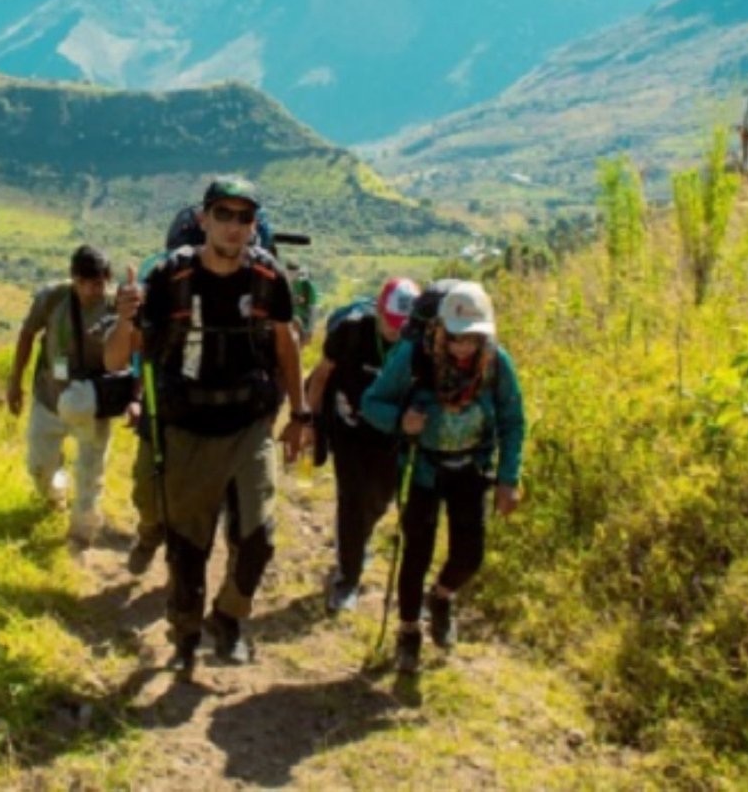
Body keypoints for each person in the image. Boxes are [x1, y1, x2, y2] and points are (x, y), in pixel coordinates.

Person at [107, 176, 311, 674]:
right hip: (188, 428)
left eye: (245, 217)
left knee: (257, 537)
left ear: (254, 225)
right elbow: (117, 356)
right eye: (224, 214)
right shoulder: (169, 280)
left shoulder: (269, 277)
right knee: (188, 546)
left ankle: (230, 617)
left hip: (249, 424)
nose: (234, 226)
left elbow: (286, 344)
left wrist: (300, 414)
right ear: (203, 220)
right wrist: (124, 320)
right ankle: (185, 633)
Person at [360, 281, 526, 674]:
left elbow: (512, 420)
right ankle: (408, 633)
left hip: (471, 469)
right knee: (416, 552)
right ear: (440, 331)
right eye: (455, 338)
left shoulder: (496, 364)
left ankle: (442, 597)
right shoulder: (414, 358)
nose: (464, 347)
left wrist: (508, 477)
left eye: (473, 338)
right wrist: (401, 421)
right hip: (425, 469)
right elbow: (372, 402)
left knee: (470, 554)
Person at [305, 277, 420, 614]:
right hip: (348, 429)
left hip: (388, 431)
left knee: (380, 499)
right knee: (353, 499)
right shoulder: (351, 332)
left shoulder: (415, 344)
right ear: (379, 311)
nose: (396, 331)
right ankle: (347, 580)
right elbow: (322, 375)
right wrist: (310, 422)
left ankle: (358, 542)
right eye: (391, 322)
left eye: (404, 326)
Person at [6, 244, 123, 546]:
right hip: (50, 398)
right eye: (86, 283)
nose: (93, 290)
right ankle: (56, 496)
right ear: (74, 278)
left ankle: (81, 535)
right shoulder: (53, 298)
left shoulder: (115, 306)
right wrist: (14, 380)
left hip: (91, 403)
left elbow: (132, 349)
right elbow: (27, 334)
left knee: (89, 473)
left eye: (99, 283)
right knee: (39, 465)